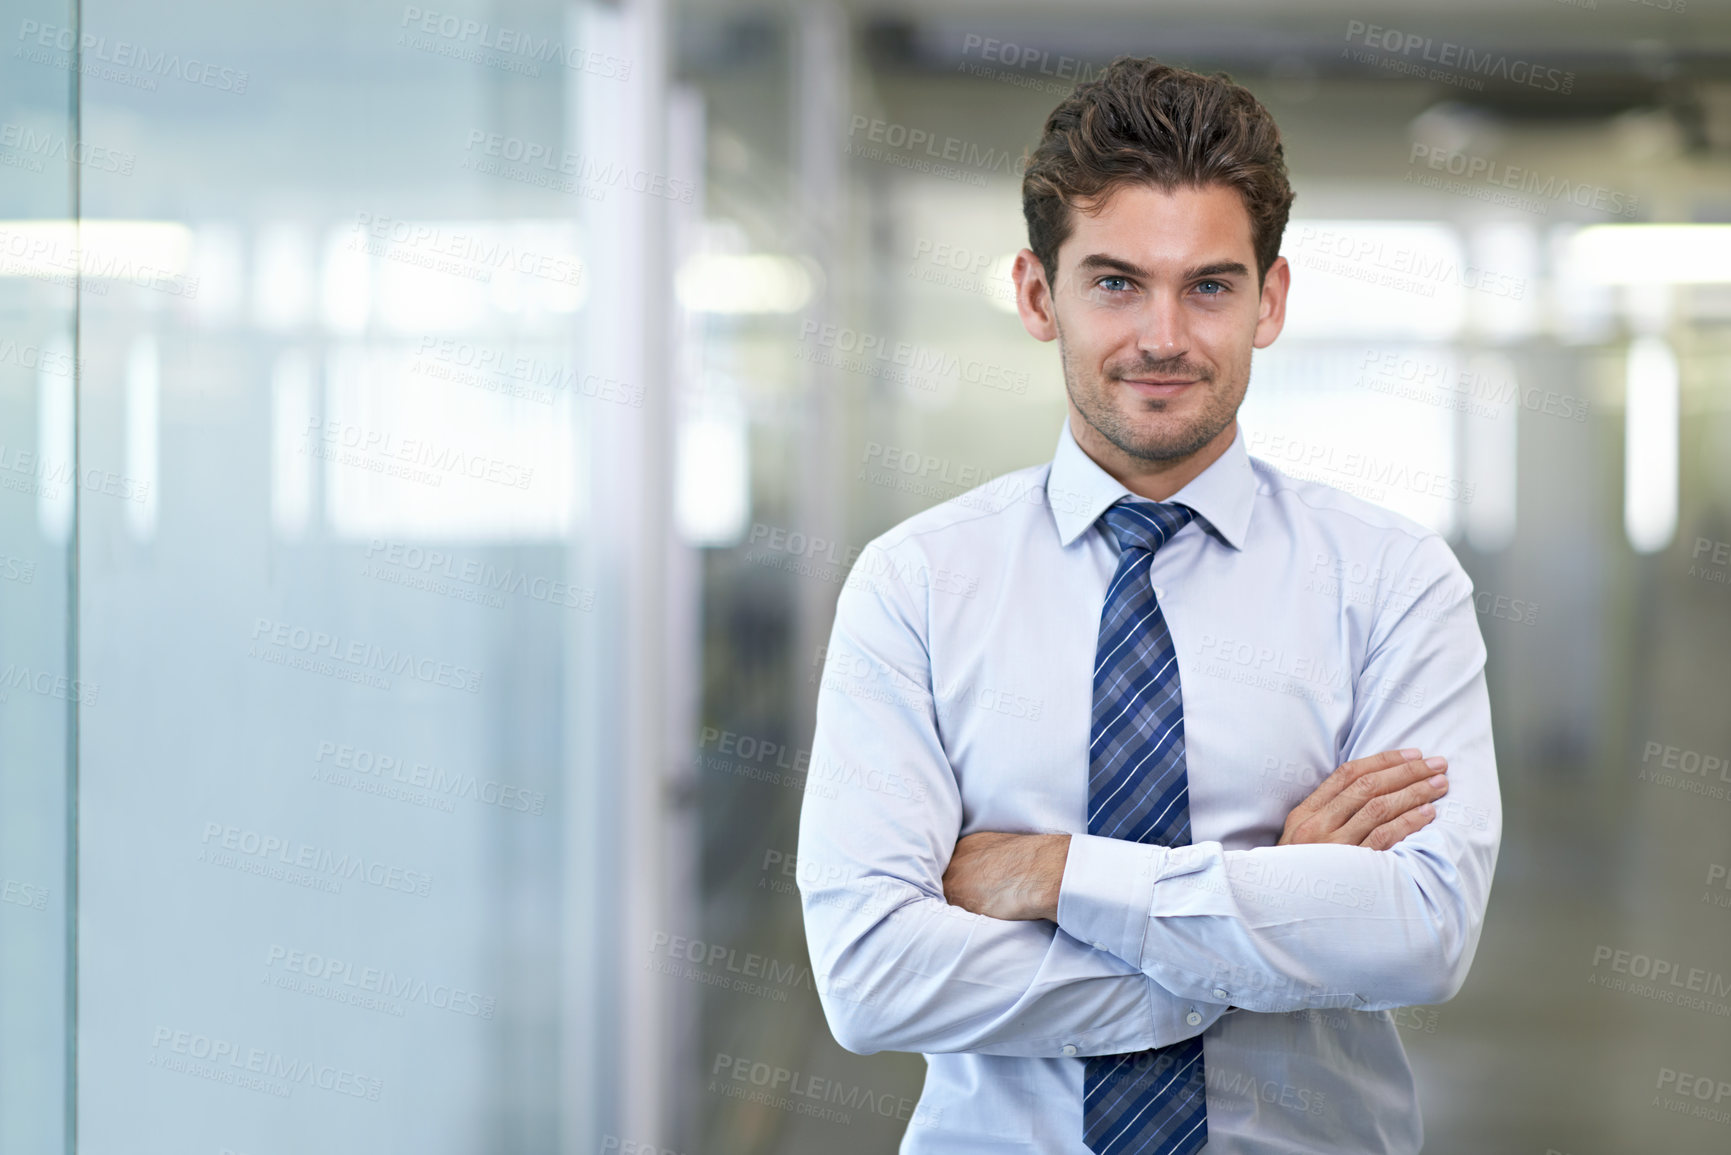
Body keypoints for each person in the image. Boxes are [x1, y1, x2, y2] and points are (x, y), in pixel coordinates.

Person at [796, 56, 1500, 1154]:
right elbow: (874, 978)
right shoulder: (918, 585)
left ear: (1270, 301)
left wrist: (1057, 875)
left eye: (1210, 285)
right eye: (1117, 282)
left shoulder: (1393, 582)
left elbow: (1420, 935)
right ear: (1041, 296)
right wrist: (1257, 918)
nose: (1164, 337)